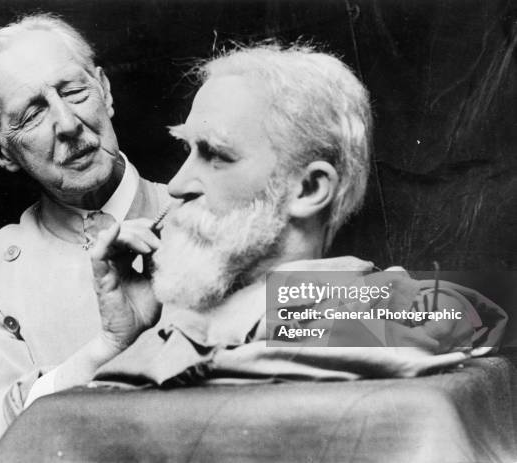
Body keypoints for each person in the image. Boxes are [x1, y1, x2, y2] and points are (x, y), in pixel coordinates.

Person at [89, 42, 506, 386]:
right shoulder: (171, 331)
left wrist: (223, 322)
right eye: (188, 151)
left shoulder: (378, 310)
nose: (177, 185)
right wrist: (122, 338)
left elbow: (486, 312)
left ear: (307, 190)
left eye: (214, 154)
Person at [0, 13, 168, 462]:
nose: (67, 124)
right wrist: (107, 348)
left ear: (105, 90)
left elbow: (346, 331)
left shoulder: (217, 207)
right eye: (32, 113)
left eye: (73, 92)